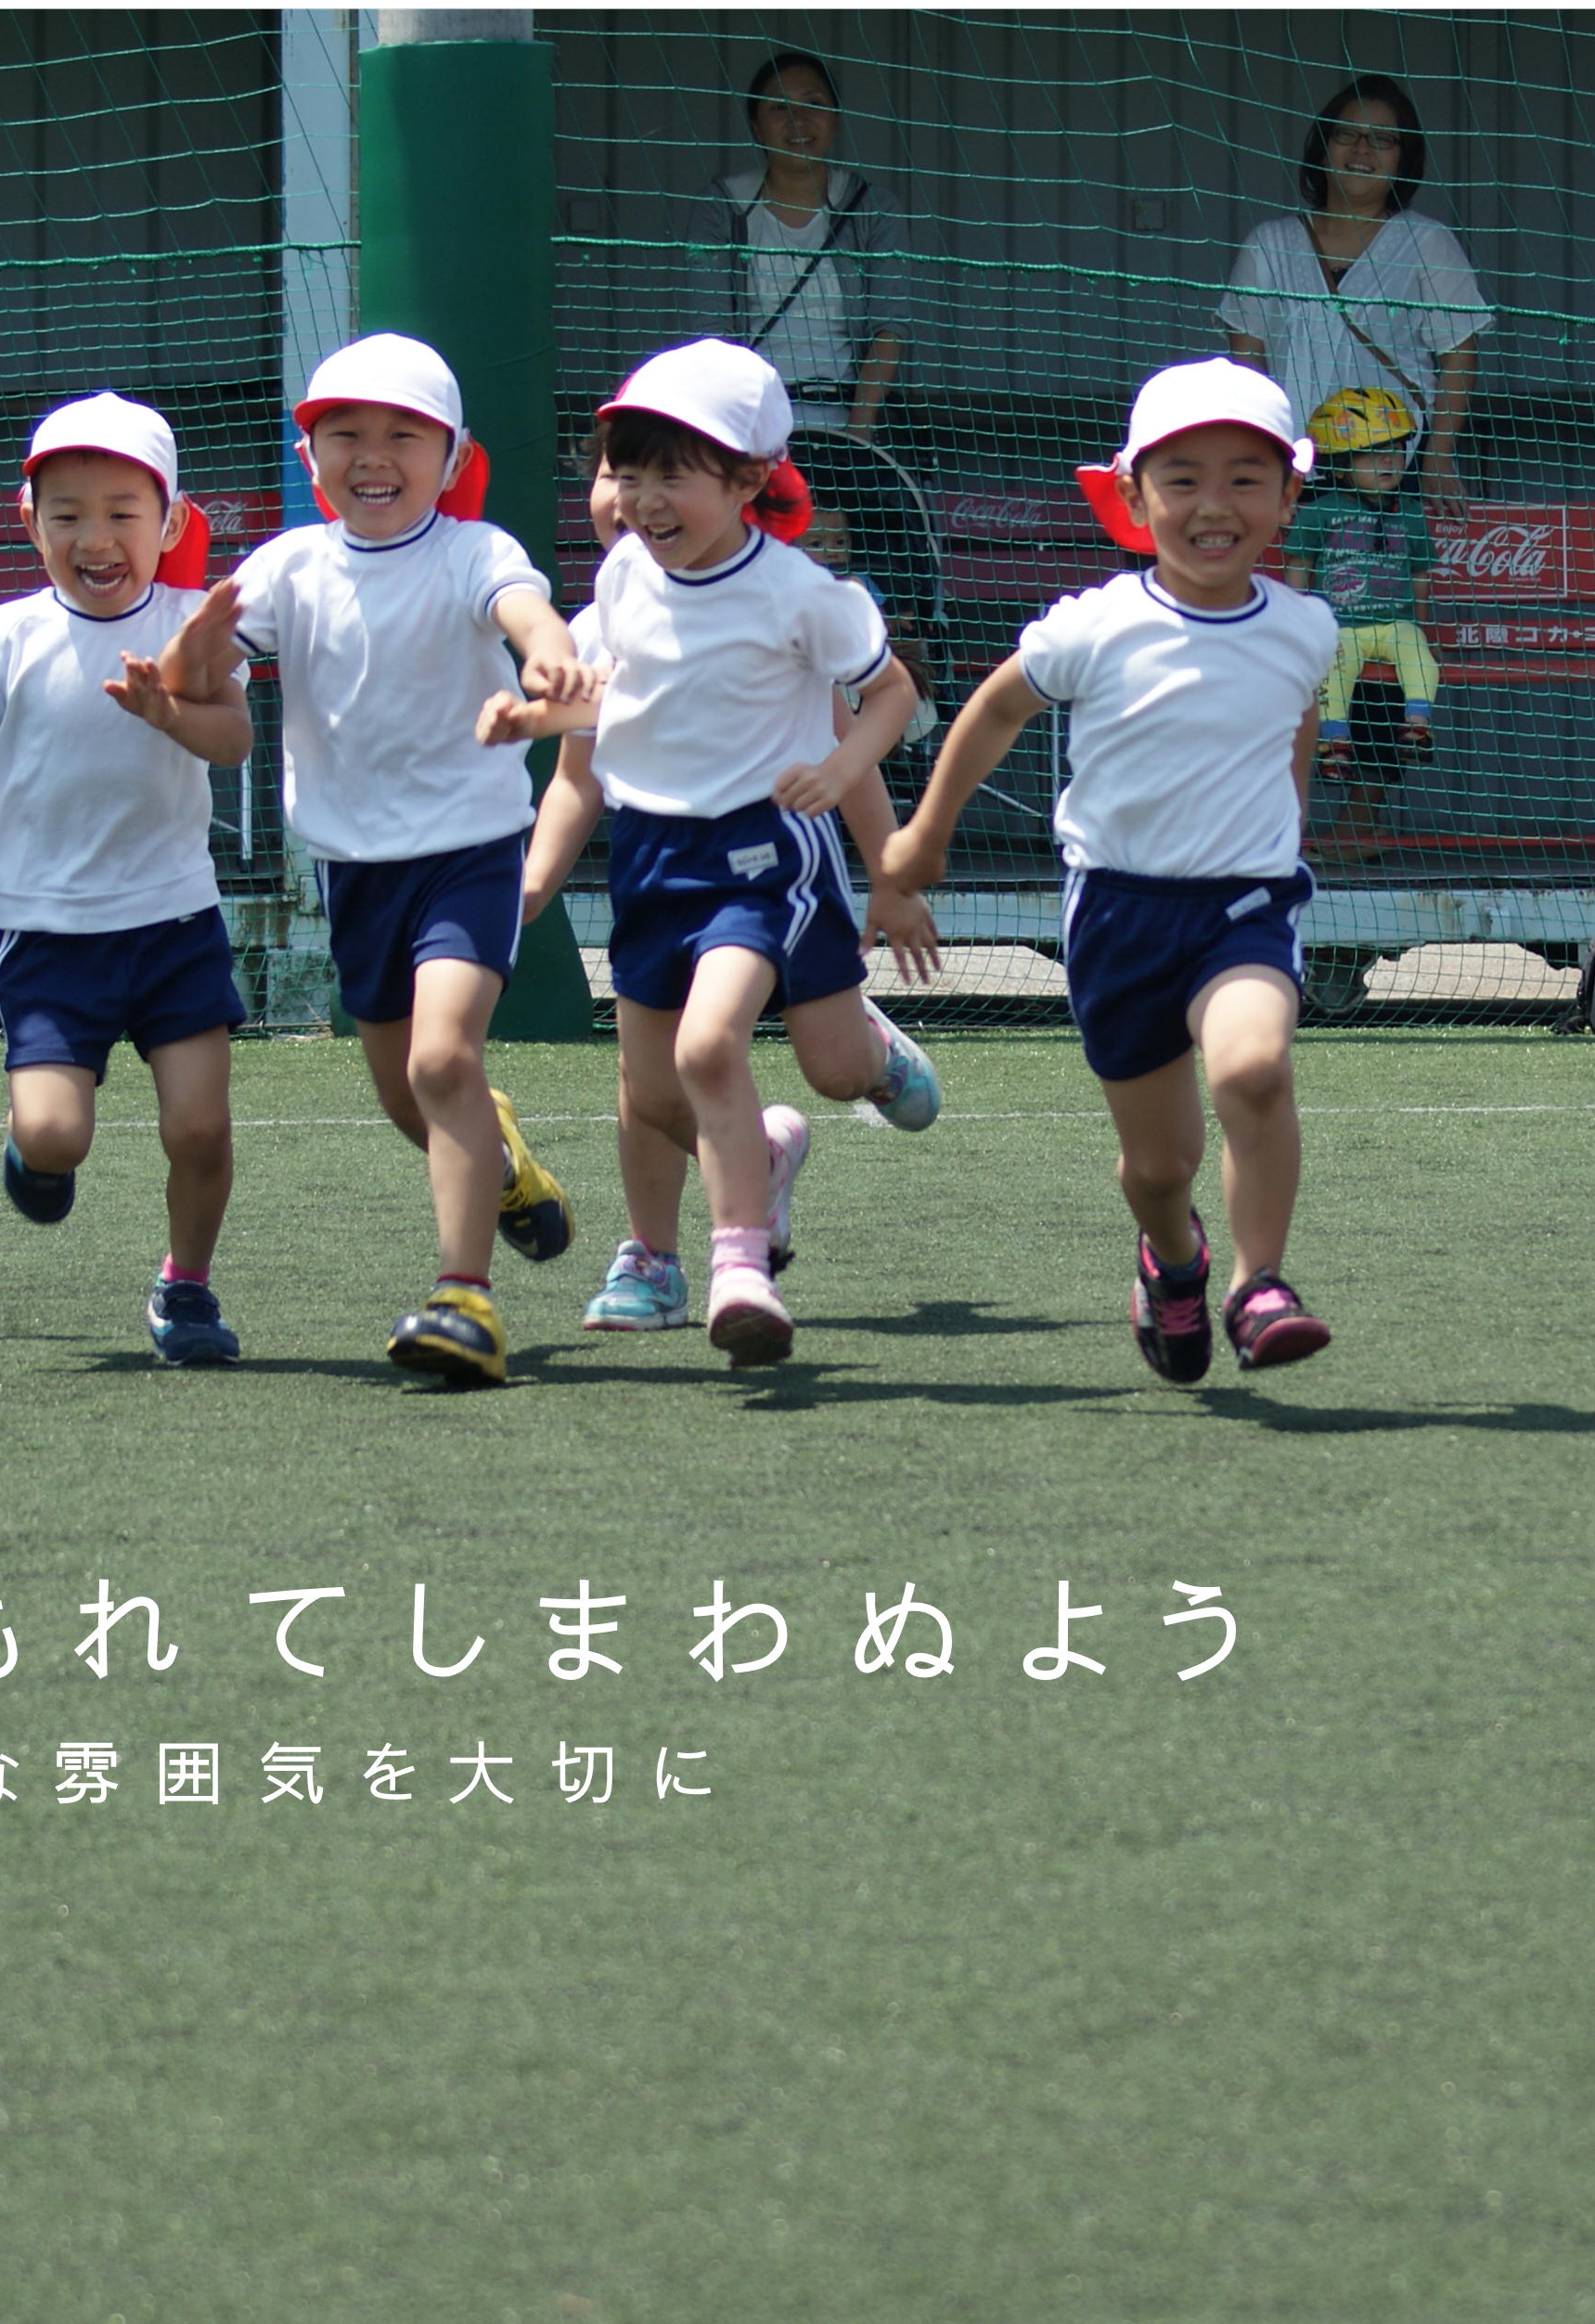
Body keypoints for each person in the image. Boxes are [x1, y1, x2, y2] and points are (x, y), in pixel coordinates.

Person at [482, 340, 939, 1366]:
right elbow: (594, 741)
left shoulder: (796, 594)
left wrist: (859, 803)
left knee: (732, 1055)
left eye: (669, 473)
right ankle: (654, 1256)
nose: (638, 499)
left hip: (762, 852)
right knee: (648, 1092)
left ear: (747, 481)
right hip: (650, 859)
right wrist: (529, 847)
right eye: (623, 470)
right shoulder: (619, 584)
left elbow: (892, 692)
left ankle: (739, 1260)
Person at [886, 358, 1338, 1384]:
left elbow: (1294, 722)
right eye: (1180, 479)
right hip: (1117, 918)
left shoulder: (1307, 628)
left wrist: (1288, 828)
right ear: (1131, 496)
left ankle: (1259, 1285)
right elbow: (997, 707)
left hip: (1245, 908)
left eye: (1242, 478)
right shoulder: (1092, 625)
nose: (1212, 505)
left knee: (1253, 1071)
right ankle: (1172, 1260)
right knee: (1156, 1166)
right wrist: (923, 836)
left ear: (1286, 498)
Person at [156, 334, 591, 1387]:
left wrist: (548, 655)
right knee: (411, 1094)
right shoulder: (286, 566)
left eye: (403, 435)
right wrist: (187, 649)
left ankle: (464, 1301)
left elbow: (525, 613)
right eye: (343, 435)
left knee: (441, 1060)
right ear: (310, 461)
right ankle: (505, 1161)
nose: (372, 454)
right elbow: (198, 666)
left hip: (469, 854)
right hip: (352, 870)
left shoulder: (474, 552)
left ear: (452, 456)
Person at [0, 393, 258, 1363]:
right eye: (67, 514)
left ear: (171, 521)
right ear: (29, 520)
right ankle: (30, 1147)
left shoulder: (193, 625)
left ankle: (186, 1288)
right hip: (48, 935)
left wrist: (169, 713)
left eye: (121, 513)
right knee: (56, 1140)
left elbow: (234, 738)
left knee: (201, 1128)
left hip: (176, 925)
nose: (94, 537)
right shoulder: (4, 636)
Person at [1219, 75, 1490, 512]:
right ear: (1323, 146)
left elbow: (1460, 355)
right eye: (1347, 134)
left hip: (1394, 474)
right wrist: (1261, 463)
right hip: (1291, 473)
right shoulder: (1268, 245)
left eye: (1383, 139)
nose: (1362, 149)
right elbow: (1247, 367)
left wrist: (1438, 458)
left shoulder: (1428, 242)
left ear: (1405, 158)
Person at [676, 51, 907, 438]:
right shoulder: (722, 209)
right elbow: (710, 335)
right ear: (756, 126)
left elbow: (891, 326)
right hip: (750, 427)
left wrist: (857, 438)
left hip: (847, 425)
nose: (798, 120)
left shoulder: (873, 208)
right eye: (779, 107)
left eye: (813, 104)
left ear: (835, 118)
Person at [1286, 385, 1437, 856]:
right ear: (1338, 463)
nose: (1389, 463)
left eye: (1394, 452)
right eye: (1372, 455)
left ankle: (1417, 725)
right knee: (1334, 669)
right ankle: (1335, 745)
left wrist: (1421, 625)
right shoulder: (1319, 514)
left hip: (1393, 627)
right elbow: (1297, 573)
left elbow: (1419, 576)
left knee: (1415, 662)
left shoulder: (1408, 514)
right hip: (1339, 628)